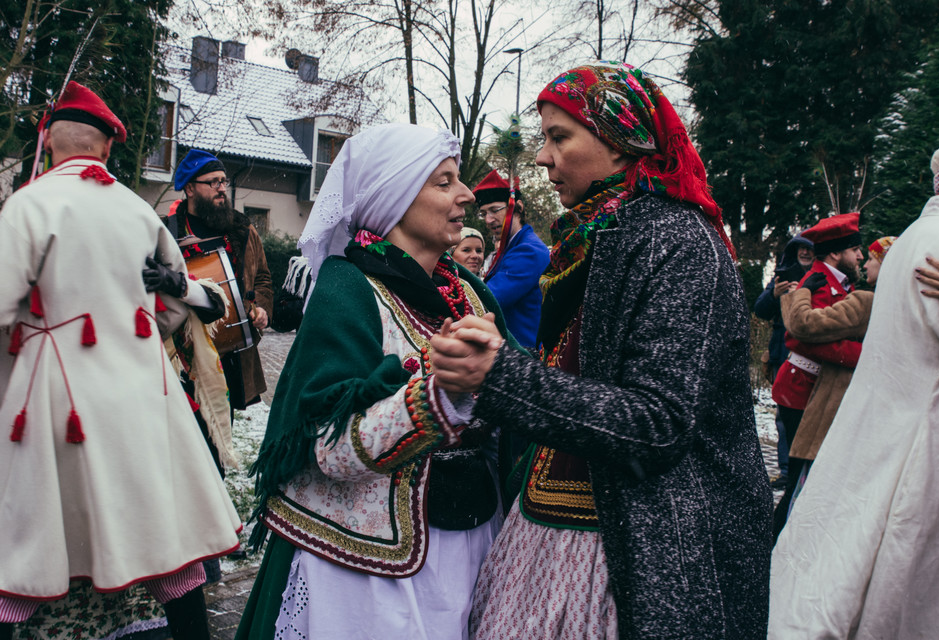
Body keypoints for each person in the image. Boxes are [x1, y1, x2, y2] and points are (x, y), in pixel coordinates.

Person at [432, 62, 772, 639]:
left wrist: (501, 377)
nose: (542, 158)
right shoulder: (596, 236)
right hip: (560, 524)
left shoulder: (679, 242)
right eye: (544, 138)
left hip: (652, 545)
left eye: (559, 137)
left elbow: (658, 423)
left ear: (620, 145)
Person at [235, 123, 520, 640]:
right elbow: (327, 445)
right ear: (395, 196)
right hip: (365, 573)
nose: (466, 195)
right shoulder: (348, 289)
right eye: (444, 182)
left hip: (473, 546)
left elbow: (520, 395)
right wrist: (438, 395)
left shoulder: (472, 293)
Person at [0, 81, 241, 640]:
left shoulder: (27, 205)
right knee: (168, 540)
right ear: (108, 147)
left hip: (56, 395)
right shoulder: (139, 210)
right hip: (141, 389)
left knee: (26, 547)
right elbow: (175, 302)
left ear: (49, 142)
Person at [768, 136, 939, 638]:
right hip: (844, 402)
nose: (860, 257)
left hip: (873, 406)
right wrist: (793, 301)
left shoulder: (916, 241)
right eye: (853, 250)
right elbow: (805, 330)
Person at [769, 211, 862, 538]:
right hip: (801, 390)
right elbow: (799, 338)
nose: (861, 256)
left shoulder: (835, 281)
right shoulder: (819, 281)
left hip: (813, 390)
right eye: (855, 250)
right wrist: (864, 356)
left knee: (807, 474)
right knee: (800, 476)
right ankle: (774, 543)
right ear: (837, 252)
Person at [167, 149, 273, 412]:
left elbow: (262, 277)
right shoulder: (168, 233)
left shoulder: (243, 230)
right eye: (213, 182)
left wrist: (261, 308)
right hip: (183, 357)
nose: (222, 188)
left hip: (231, 354)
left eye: (223, 181)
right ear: (190, 188)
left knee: (220, 440)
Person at [754, 234, 814, 485]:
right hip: (782, 352)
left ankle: (805, 469)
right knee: (784, 414)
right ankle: (788, 471)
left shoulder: (820, 276)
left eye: (810, 249)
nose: (805, 253)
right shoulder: (783, 274)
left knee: (809, 413)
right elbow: (760, 309)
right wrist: (774, 295)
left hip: (810, 353)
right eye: (801, 248)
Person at [474, 170, 550, 350]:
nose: (488, 219)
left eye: (494, 210)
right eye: (484, 213)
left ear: (518, 207)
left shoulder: (528, 251)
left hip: (523, 353)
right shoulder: (512, 247)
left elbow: (489, 299)